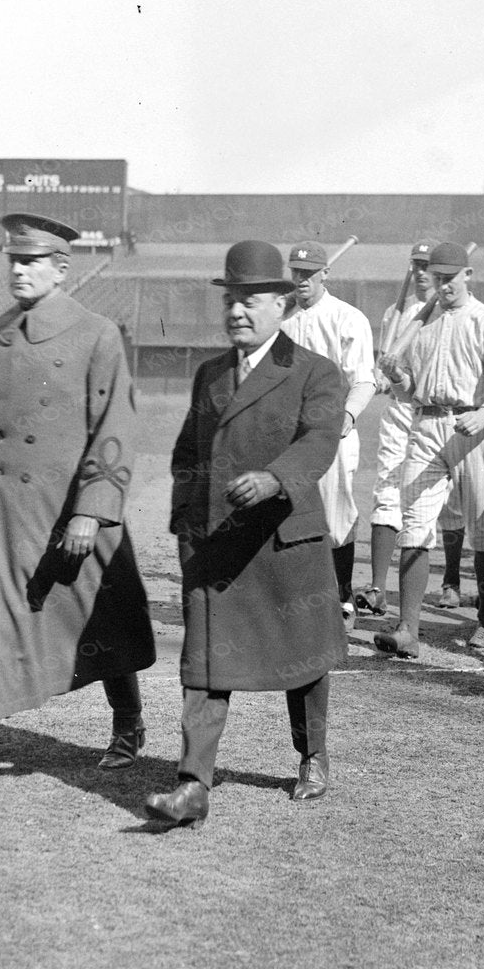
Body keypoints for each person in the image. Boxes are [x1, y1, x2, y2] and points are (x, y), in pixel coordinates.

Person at [0, 213, 155, 801]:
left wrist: (90, 511)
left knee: (98, 619)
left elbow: (114, 429)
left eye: (32, 261)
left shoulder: (97, 334)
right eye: (13, 260)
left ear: (61, 268)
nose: (18, 269)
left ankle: (128, 721)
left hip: (64, 513)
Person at [145, 240, 347, 827]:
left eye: (253, 300)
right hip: (217, 546)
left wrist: (274, 479)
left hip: (283, 538)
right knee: (205, 664)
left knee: (302, 659)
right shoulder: (209, 373)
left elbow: (320, 441)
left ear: (282, 306)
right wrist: (186, 522)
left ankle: (312, 755)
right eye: (232, 299)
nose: (238, 311)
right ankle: (192, 784)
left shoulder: (315, 371)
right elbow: (187, 452)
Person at [373, 241, 484, 655]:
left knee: (483, 529)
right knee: (414, 522)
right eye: (438, 278)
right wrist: (398, 376)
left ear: (468, 276)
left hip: (473, 427)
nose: (444, 285)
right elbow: (409, 390)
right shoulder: (421, 322)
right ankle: (408, 630)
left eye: (450, 277)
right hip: (427, 424)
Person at [279, 241, 376, 617]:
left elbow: (363, 381)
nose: (302, 279)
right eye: (297, 272)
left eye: (309, 272)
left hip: (331, 428)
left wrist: (347, 418)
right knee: (287, 513)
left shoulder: (347, 317)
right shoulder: (282, 317)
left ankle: (343, 597)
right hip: (288, 430)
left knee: (337, 518)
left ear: (325, 273)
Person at [354, 241, 435, 617]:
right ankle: (377, 588)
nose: (421, 272)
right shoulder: (395, 311)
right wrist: (380, 377)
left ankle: (453, 584)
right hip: (400, 411)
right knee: (387, 488)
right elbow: (383, 366)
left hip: (437, 415)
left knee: (435, 507)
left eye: (429, 265)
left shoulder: (445, 314)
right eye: (416, 264)